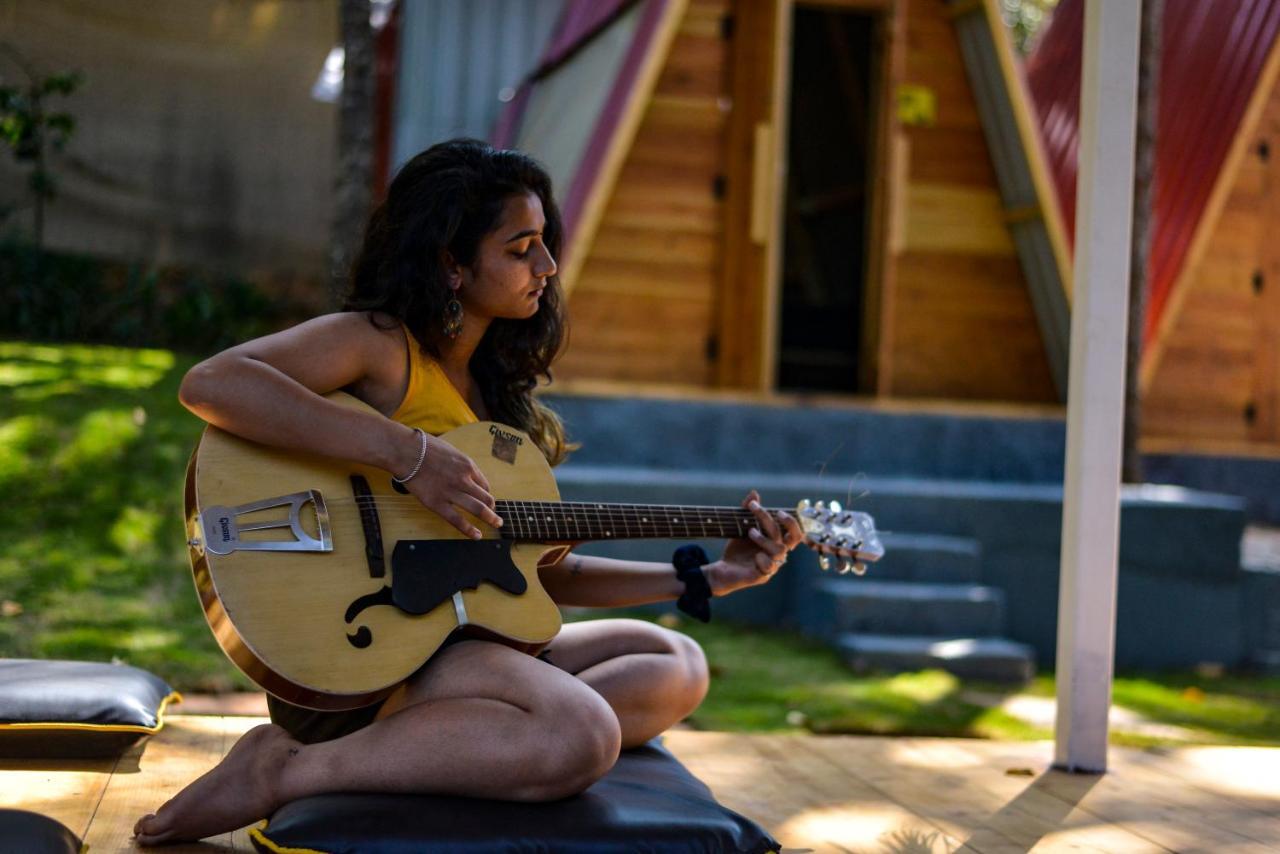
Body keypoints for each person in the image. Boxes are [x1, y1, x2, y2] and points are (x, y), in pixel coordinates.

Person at [133, 138, 804, 846]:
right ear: (452, 263)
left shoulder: (499, 405)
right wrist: (408, 453)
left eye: (545, 245)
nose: (547, 267)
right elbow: (213, 384)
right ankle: (287, 769)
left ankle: (459, 740)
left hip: (457, 645)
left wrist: (704, 574)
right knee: (582, 732)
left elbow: (543, 577)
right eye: (522, 248)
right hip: (366, 652)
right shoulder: (380, 346)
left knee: (675, 665)